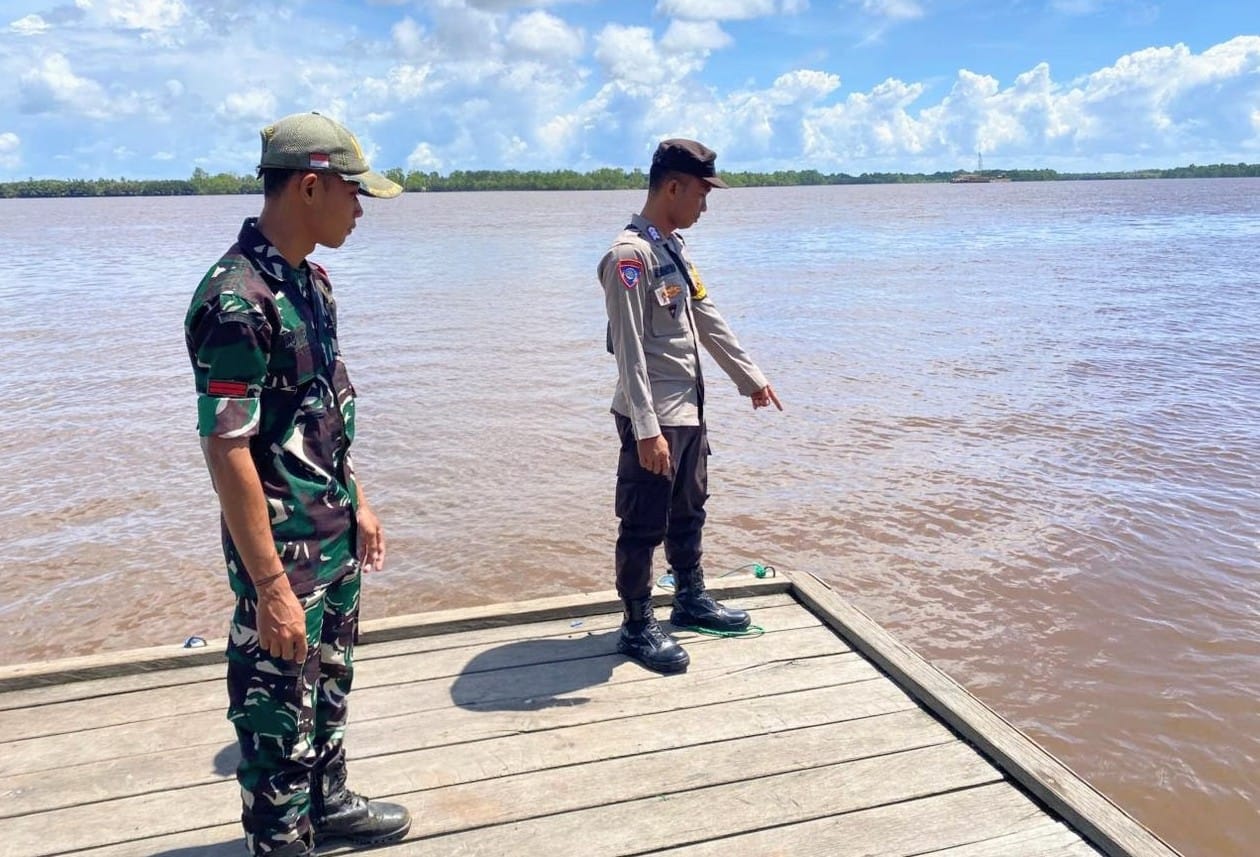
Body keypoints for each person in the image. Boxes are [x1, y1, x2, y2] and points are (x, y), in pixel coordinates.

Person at [184, 112, 410, 857]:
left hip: (333, 534)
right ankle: (279, 841)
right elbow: (229, 448)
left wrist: (361, 499)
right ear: (310, 186)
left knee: (331, 684)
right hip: (281, 555)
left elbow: (322, 413)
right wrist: (271, 584)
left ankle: (330, 802)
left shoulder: (311, 283)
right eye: (354, 194)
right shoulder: (236, 299)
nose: (360, 210)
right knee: (276, 709)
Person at [598, 139, 783, 674]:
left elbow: (706, 316)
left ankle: (690, 599)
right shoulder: (628, 258)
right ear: (673, 186)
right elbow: (630, 350)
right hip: (652, 415)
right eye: (701, 193)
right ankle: (636, 624)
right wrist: (645, 429)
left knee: (689, 511)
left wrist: (751, 379)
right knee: (641, 523)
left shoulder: (671, 248)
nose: (705, 205)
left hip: (687, 411)